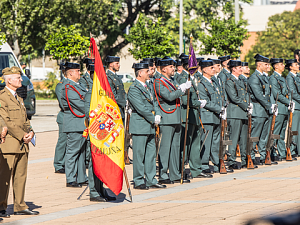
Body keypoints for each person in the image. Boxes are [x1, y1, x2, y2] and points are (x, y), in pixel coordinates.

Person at [0, 66, 37, 216]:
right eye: (17, 78)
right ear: (9, 81)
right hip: (9, 144)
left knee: (21, 176)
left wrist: (31, 132)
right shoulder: (2, 97)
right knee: (4, 177)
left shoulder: (19, 97)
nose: (21, 80)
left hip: (23, 144)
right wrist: (22, 135)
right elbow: (6, 121)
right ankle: (1, 207)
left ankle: (20, 206)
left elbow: (25, 119)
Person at [127, 62, 166, 190]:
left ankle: (151, 179)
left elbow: (155, 102)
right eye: (147, 71)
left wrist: (158, 114)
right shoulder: (134, 88)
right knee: (139, 155)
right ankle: (138, 180)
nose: (149, 73)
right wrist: (153, 118)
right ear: (140, 73)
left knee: (151, 154)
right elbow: (141, 108)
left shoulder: (147, 86)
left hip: (149, 125)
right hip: (140, 126)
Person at [154, 58, 191, 184]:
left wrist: (183, 88)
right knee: (165, 148)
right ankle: (163, 174)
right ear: (164, 69)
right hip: (167, 117)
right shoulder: (159, 82)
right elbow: (169, 96)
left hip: (176, 116)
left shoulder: (172, 80)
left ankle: (175, 174)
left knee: (175, 148)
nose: (173, 69)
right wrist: (181, 90)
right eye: (171, 67)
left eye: (173, 66)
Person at [197, 60, 230, 175]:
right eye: (211, 68)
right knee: (206, 142)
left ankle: (216, 163)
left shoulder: (214, 82)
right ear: (204, 70)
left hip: (216, 116)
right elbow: (205, 101)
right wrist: (219, 108)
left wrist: (223, 107)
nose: (213, 69)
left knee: (216, 142)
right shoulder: (201, 84)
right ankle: (204, 164)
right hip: (207, 116)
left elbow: (220, 96)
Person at [176, 59, 207, 179]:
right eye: (194, 65)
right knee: (185, 144)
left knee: (195, 144)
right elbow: (185, 100)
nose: (197, 67)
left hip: (194, 115)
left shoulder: (191, 77)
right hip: (186, 115)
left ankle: (196, 170)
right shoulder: (183, 79)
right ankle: (181, 169)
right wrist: (198, 103)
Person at [248, 54, 278, 165]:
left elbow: (267, 93)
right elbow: (259, 95)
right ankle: (250, 157)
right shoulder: (254, 77)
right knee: (255, 135)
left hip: (264, 109)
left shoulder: (264, 77)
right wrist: (269, 106)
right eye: (266, 64)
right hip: (258, 109)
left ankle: (262, 156)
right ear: (259, 65)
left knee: (264, 136)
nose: (267, 66)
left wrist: (272, 105)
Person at [61, 62, 88, 187]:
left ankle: (81, 177)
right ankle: (70, 178)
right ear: (71, 73)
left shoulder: (79, 85)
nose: (80, 73)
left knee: (81, 152)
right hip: (75, 123)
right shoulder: (68, 87)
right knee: (72, 152)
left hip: (81, 123)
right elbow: (80, 104)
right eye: (77, 70)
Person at [225, 60, 253, 170]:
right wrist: (246, 105)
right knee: (234, 137)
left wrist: (248, 105)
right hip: (235, 112)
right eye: (239, 67)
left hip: (243, 113)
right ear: (233, 69)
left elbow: (246, 94)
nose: (241, 69)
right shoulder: (229, 80)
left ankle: (245, 159)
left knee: (244, 138)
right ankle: (231, 161)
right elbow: (234, 98)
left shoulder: (242, 80)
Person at [269, 58, 295, 161]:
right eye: (281, 64)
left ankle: (281, 152)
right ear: (275, 66)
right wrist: (288, 102)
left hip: (284, 108)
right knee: (275, 132)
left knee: (282, 132)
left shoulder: (282, 78)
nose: (283, 66)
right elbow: (277, 94)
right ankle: (271, 152)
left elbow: (286, 91)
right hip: (279, 107)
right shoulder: (273, 78)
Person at [53, 63, 67, 174]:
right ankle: (58, 164)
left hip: (72, 117)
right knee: (63, 141)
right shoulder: (61, 85)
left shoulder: (76, 84)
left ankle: (66, 163)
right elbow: (63, 104)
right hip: (65, 116)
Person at [285, 59, 300, 157]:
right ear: (290, 67)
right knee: (294, 128)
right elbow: (292, 92)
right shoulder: (290, 77)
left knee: (299, 129)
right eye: (296, 64)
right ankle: (292, 150)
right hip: (296, 105)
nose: (298, 66)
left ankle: (298, 149)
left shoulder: (297, 77)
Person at [105, 56, 126, 122]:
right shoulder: (108, 77)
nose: (119, 65)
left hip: (120, 110)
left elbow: (123, 92)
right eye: (117, 63)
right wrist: (125, 103)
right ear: (111, 64)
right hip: (113, 111)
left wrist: (127, 101)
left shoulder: (116, 77)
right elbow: (112, 95)